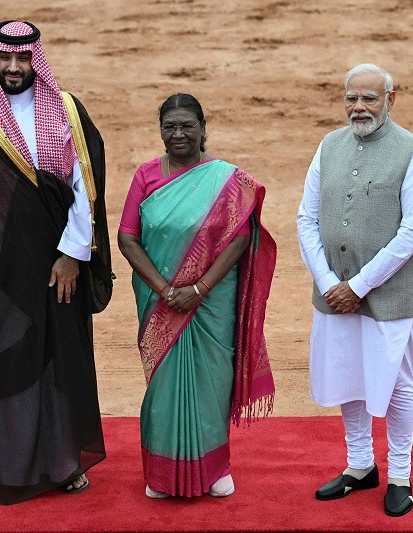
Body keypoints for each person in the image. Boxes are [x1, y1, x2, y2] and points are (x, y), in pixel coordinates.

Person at [0, 20, 113, 505]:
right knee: (4, 357)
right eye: (5, 59)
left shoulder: (68, 112)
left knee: (58, 359)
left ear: (36, 59)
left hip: (60, 268)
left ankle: (61, 464)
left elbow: (87, 189)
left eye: (22, 59)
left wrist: (73, 256)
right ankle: (7, 462)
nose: (14, 68)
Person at [117, 93, 277, 499]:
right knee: (164, 384)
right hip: (160, 302)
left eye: (187, 125)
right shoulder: (146, 176)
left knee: (212, 380)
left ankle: (216, 468)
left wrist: (199, 290)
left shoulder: (227, 179)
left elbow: (240, 239)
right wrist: (167, 290)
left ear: (203, 130)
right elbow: (127, 238)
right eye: (169, 127)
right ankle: (162, 476)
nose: (178, 134)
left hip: (211, 303)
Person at [296, 63, 413, 517]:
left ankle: (399, 474)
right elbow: (306, 219)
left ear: (390, 100)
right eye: (351, 98)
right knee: (347, 377)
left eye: (369, 98)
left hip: (390, 297)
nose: (359, 107)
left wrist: (356, 285)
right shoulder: (328, 145)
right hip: (334, 292)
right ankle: (359, 466)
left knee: (397, 385)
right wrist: (328, 282)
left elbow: (412, 232)